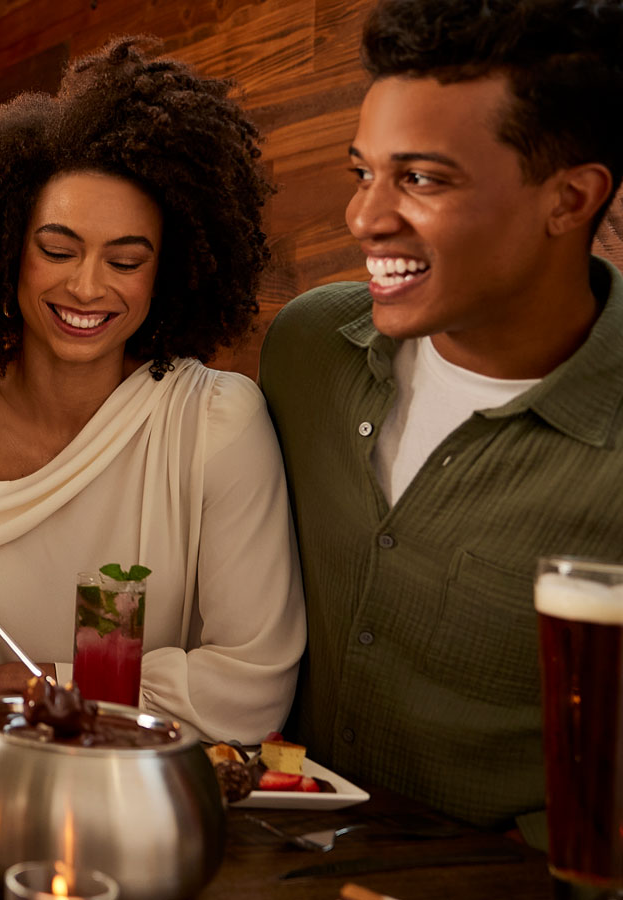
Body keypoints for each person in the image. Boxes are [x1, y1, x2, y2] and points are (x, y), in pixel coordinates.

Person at [0, 39, 304, 744]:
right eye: (57, 251)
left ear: (168, 271)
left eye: (125, 261)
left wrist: (35, 685)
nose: (88, 287)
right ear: (6, 248)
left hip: (148, 803)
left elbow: (251, 686)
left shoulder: (217, 423)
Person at [259, 0, 623, 840]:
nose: (364, 218)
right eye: (363, 172)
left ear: (570, 198)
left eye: (421, 179)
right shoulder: (307, 350)